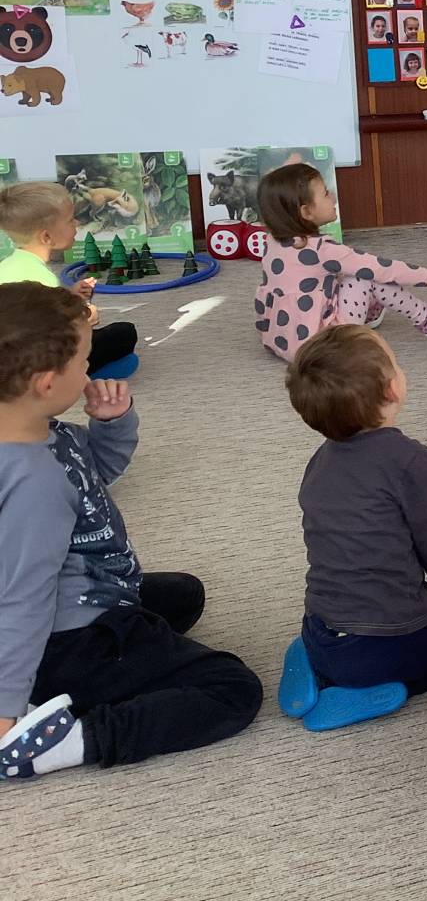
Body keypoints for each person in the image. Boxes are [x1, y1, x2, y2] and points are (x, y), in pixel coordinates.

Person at [0, 283, 261, 779]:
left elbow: (92, 475)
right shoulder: (34, 484)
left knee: (184, 595)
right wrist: (6, 707)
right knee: (233, 688)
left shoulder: (36, 430)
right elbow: (23, 596)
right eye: (84, 362)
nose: (90, 372)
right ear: (46, 383)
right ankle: (71, 740)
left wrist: (112, 425)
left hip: (79, 595)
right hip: (67, 638)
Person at [276, 325, 427, 731]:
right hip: (374, 648)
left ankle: (316, 661)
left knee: (411, 608)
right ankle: (357, 689)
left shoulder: (319, 461)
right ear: (392, 389)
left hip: (321, 627)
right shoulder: (410, 461)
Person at [253, 163, 427, 361]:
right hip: (321, 350)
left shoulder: (273, 242)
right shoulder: (322, 250)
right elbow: (381, 268)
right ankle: (426, 317)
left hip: (281, 341)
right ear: (306, 212)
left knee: (338, 275)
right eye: (325, 193)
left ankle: (368, 311)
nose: (333, 196)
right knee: (365, 277)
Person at [0, 182, 139, 379]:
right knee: (125, 333)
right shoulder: (42, 279)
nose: (77, 223)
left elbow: (33, 312)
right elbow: (53, 335)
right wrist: (85, 318)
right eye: (70, 220)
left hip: (10, 355)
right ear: (46, 237)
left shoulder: (8, 265)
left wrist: (71, 296)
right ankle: (78, 376)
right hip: (36, 363)